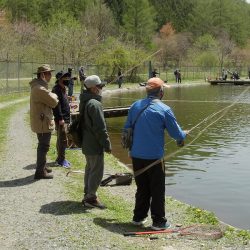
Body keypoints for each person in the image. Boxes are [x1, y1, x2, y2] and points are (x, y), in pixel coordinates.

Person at [123, 77, 187, 230]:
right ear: (161, 92)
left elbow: (127, 128)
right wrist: (184, 134)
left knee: (142, 187)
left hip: (136, 155)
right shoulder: (164, 109)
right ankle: (158, 221)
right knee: (157, 190)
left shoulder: (134, 106)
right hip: (154, 159)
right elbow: (177, 134)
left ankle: (138, 217)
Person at [79, 75, 112, 209]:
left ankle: (88, 193)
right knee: (97, 171)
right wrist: (107, 144)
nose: (101, 89)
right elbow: (100, 128)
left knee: (90, 168)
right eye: (100, 86)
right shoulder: (95, 104)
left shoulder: (85, 100)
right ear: (93, 89)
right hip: (94, 144)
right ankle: (91, 198)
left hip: (87, 142)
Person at [29, 64, 58, 179]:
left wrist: (52, 95)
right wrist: (54, 95)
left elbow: (50, 98)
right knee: (43, 146)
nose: (51, 75)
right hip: (43, 122)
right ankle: (40, 172)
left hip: (42, 121)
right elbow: (54, 102)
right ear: (42, 75)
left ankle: (42, 167)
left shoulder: (40, 86)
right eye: (49, 73)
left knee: (43, 145)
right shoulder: (39, 88)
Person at [52, 70, 72, 168]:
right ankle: (61, 160)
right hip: (61, 119)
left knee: (62, 138)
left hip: (66, 118)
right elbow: (56, 105)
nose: (67, 79)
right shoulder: (56, 89)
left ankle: (61, 157)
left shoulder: (63, 88)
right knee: (63, 140)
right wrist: (60, 118)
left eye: (68, 77)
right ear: (60, 79)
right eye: (65, 78)